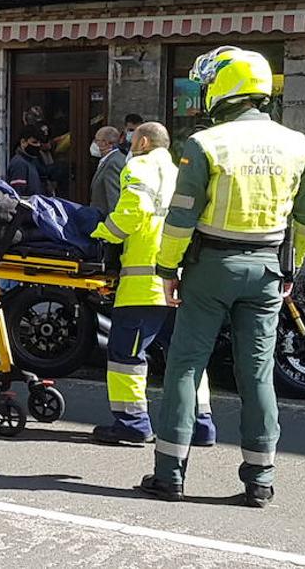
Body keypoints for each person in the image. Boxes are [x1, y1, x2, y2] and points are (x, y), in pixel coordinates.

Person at [139, 46, 305, 508]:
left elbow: (180, 220)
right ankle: (260, 480)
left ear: (224, 88)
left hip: (209, 269)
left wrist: (167, 269)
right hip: (266, 272)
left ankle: (170, 476)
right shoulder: (299, 144)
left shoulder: (205, 144)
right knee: (257, 375)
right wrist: (290, 266)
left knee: (185, 368)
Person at [90, 122, 216, 447]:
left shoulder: (140, 165)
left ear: (143, 141)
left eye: (131, 142)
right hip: (179, 282)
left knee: (125, 356)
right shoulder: (179, 172)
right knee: (185, 356)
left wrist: (101, 233)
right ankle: (200, 424)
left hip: (143, 285)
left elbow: (133, 212)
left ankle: (132, 423)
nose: (129, 148)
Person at [89, 126, 125, 213]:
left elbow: (113, 198)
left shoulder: (113, 163)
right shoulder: (109, 160)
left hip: (105, 220)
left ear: (105, 143)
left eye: (96, 140)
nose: (94, 143)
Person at [5, 125, 47, 196]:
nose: (38, 145)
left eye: (39, 143)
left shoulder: (31, 161)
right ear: (23, 142)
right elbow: (17, 195)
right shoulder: (19, 164)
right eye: (34, 142)